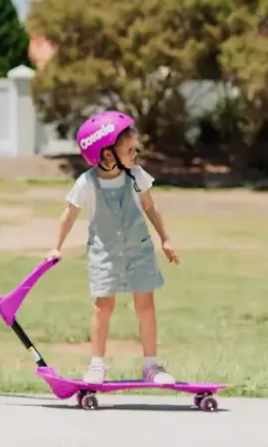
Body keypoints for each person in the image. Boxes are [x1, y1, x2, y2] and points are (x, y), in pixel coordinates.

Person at [46, 110, 181, 386]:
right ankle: (97, 365)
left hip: (138, 251)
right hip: (104, 255)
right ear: (107, 155)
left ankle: (151, 365)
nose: (136, 154)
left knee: (146, 306)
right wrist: (55, 247)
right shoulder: (87, 183)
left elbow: (150, 206)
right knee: (102, 308)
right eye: (130, 150)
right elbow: (69, 215)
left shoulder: (136, 175)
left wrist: (165, 238)